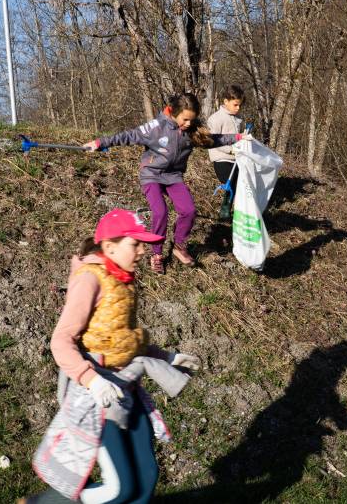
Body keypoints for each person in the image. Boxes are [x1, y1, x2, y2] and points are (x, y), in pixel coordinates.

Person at [21, 209, 201, 504]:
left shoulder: (124, 281)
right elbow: (61, 341)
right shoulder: (89, 279)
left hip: (127, 390)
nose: (143, 251)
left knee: (146, 480)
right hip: (99, 399)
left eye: (144, 244)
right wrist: (92, 381)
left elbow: (123, 341)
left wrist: (168, 358)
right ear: (110, 246)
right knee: (120, 490)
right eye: (136, 244)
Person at [84, 92, 246, 274]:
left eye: (192, 120)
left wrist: (237, 138)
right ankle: (157, 254)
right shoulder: (156, 127)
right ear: (173, 112)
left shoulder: (190, 130)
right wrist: (100, 142)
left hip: (174, 176)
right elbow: (128, 136)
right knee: (160, 211)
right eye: (185, 119)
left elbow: (213, 140)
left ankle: (179, 245)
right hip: (151, 175)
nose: (188, 124)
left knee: (189, 210)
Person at [206, 85, 245, 222]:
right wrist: (230, 149)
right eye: (235, 105)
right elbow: (213, 140)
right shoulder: (216, 119)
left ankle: (237, 211)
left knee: (241, 183)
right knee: (231, 181)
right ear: (226, 101)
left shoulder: (237, 118)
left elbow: (238, 138)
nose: (238, 108)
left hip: (236, 159)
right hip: (221, 158)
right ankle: (224, 211)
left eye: (239, 105)